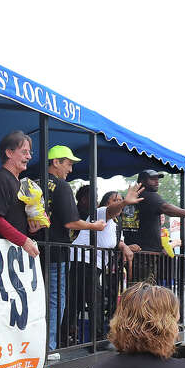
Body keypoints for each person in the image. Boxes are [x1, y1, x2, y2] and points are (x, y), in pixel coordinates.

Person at [42, 145, 107, 350]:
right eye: (68, 164)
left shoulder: (32, 183)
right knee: (55, 301)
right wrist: (93, 226)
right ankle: (50, 347)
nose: (70, 170)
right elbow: (70, 222)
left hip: (34, 252)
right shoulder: (61, 186)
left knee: (37, 300)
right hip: (55, 254)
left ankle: (36, 344)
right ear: (56, 162)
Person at [68, 188, 142, 344]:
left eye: (120, 200)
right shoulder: (100, 213)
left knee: (76, 302)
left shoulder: (116, 225)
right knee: (96, 299)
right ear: (106, 203)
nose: (118, 203)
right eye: (114, 200)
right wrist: (124, 202)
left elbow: (118, 242)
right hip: (83, 260)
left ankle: (67, 334)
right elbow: (112, 210)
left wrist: (127, 247)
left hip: (94, 265)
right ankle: (99, 339)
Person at [119, 170, 185, 282]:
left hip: (132, 252)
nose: (157, 182)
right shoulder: (149, 196)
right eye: (152, 179)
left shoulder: (131, 198)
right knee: (144, 292)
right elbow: (166, 208)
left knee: (136, 289)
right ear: (142, 181)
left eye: (157, 179)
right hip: (145, 254)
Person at [0, 130, 39, 258]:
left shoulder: (20, 183)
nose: (29, 157)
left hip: (10, 255)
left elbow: (13, 219)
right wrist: (23, 241)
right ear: (9, 153)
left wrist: (30, 229)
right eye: (24, 152)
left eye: (30, 152)